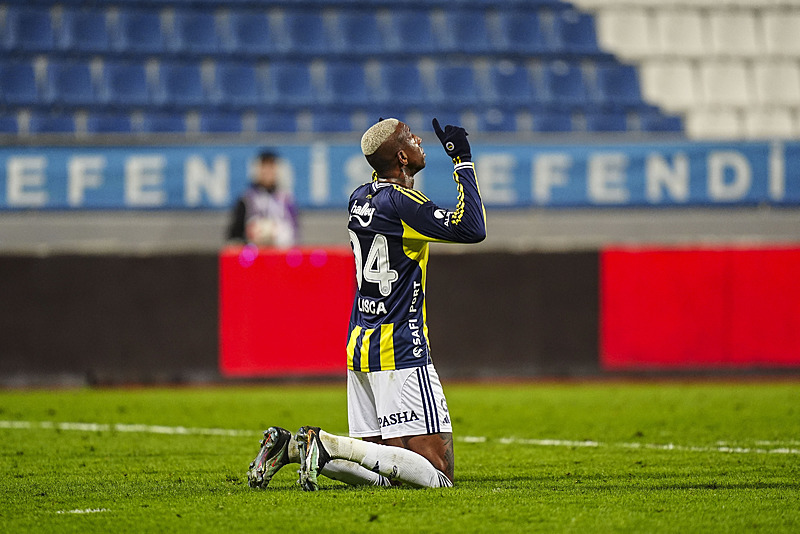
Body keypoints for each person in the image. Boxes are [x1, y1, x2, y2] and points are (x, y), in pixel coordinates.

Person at [247, 118, 486, 490]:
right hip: (401, 347)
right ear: (402, 157)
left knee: (381, 473)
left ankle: (292, 448)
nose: (419, 139)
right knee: (438, 475)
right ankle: (327, 444)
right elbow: (472, 228)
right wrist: (462, 160)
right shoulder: (404, 203)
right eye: (410, 137)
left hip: (360, 344)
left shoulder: (359, 197)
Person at [227, 150, 298, 248]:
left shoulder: (287, 199)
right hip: (254, 253)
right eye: (264, 167)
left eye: (271, 167)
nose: (267, 172)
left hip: (280, 253)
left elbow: (294, 231)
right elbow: (234, 236)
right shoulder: (246, 199)